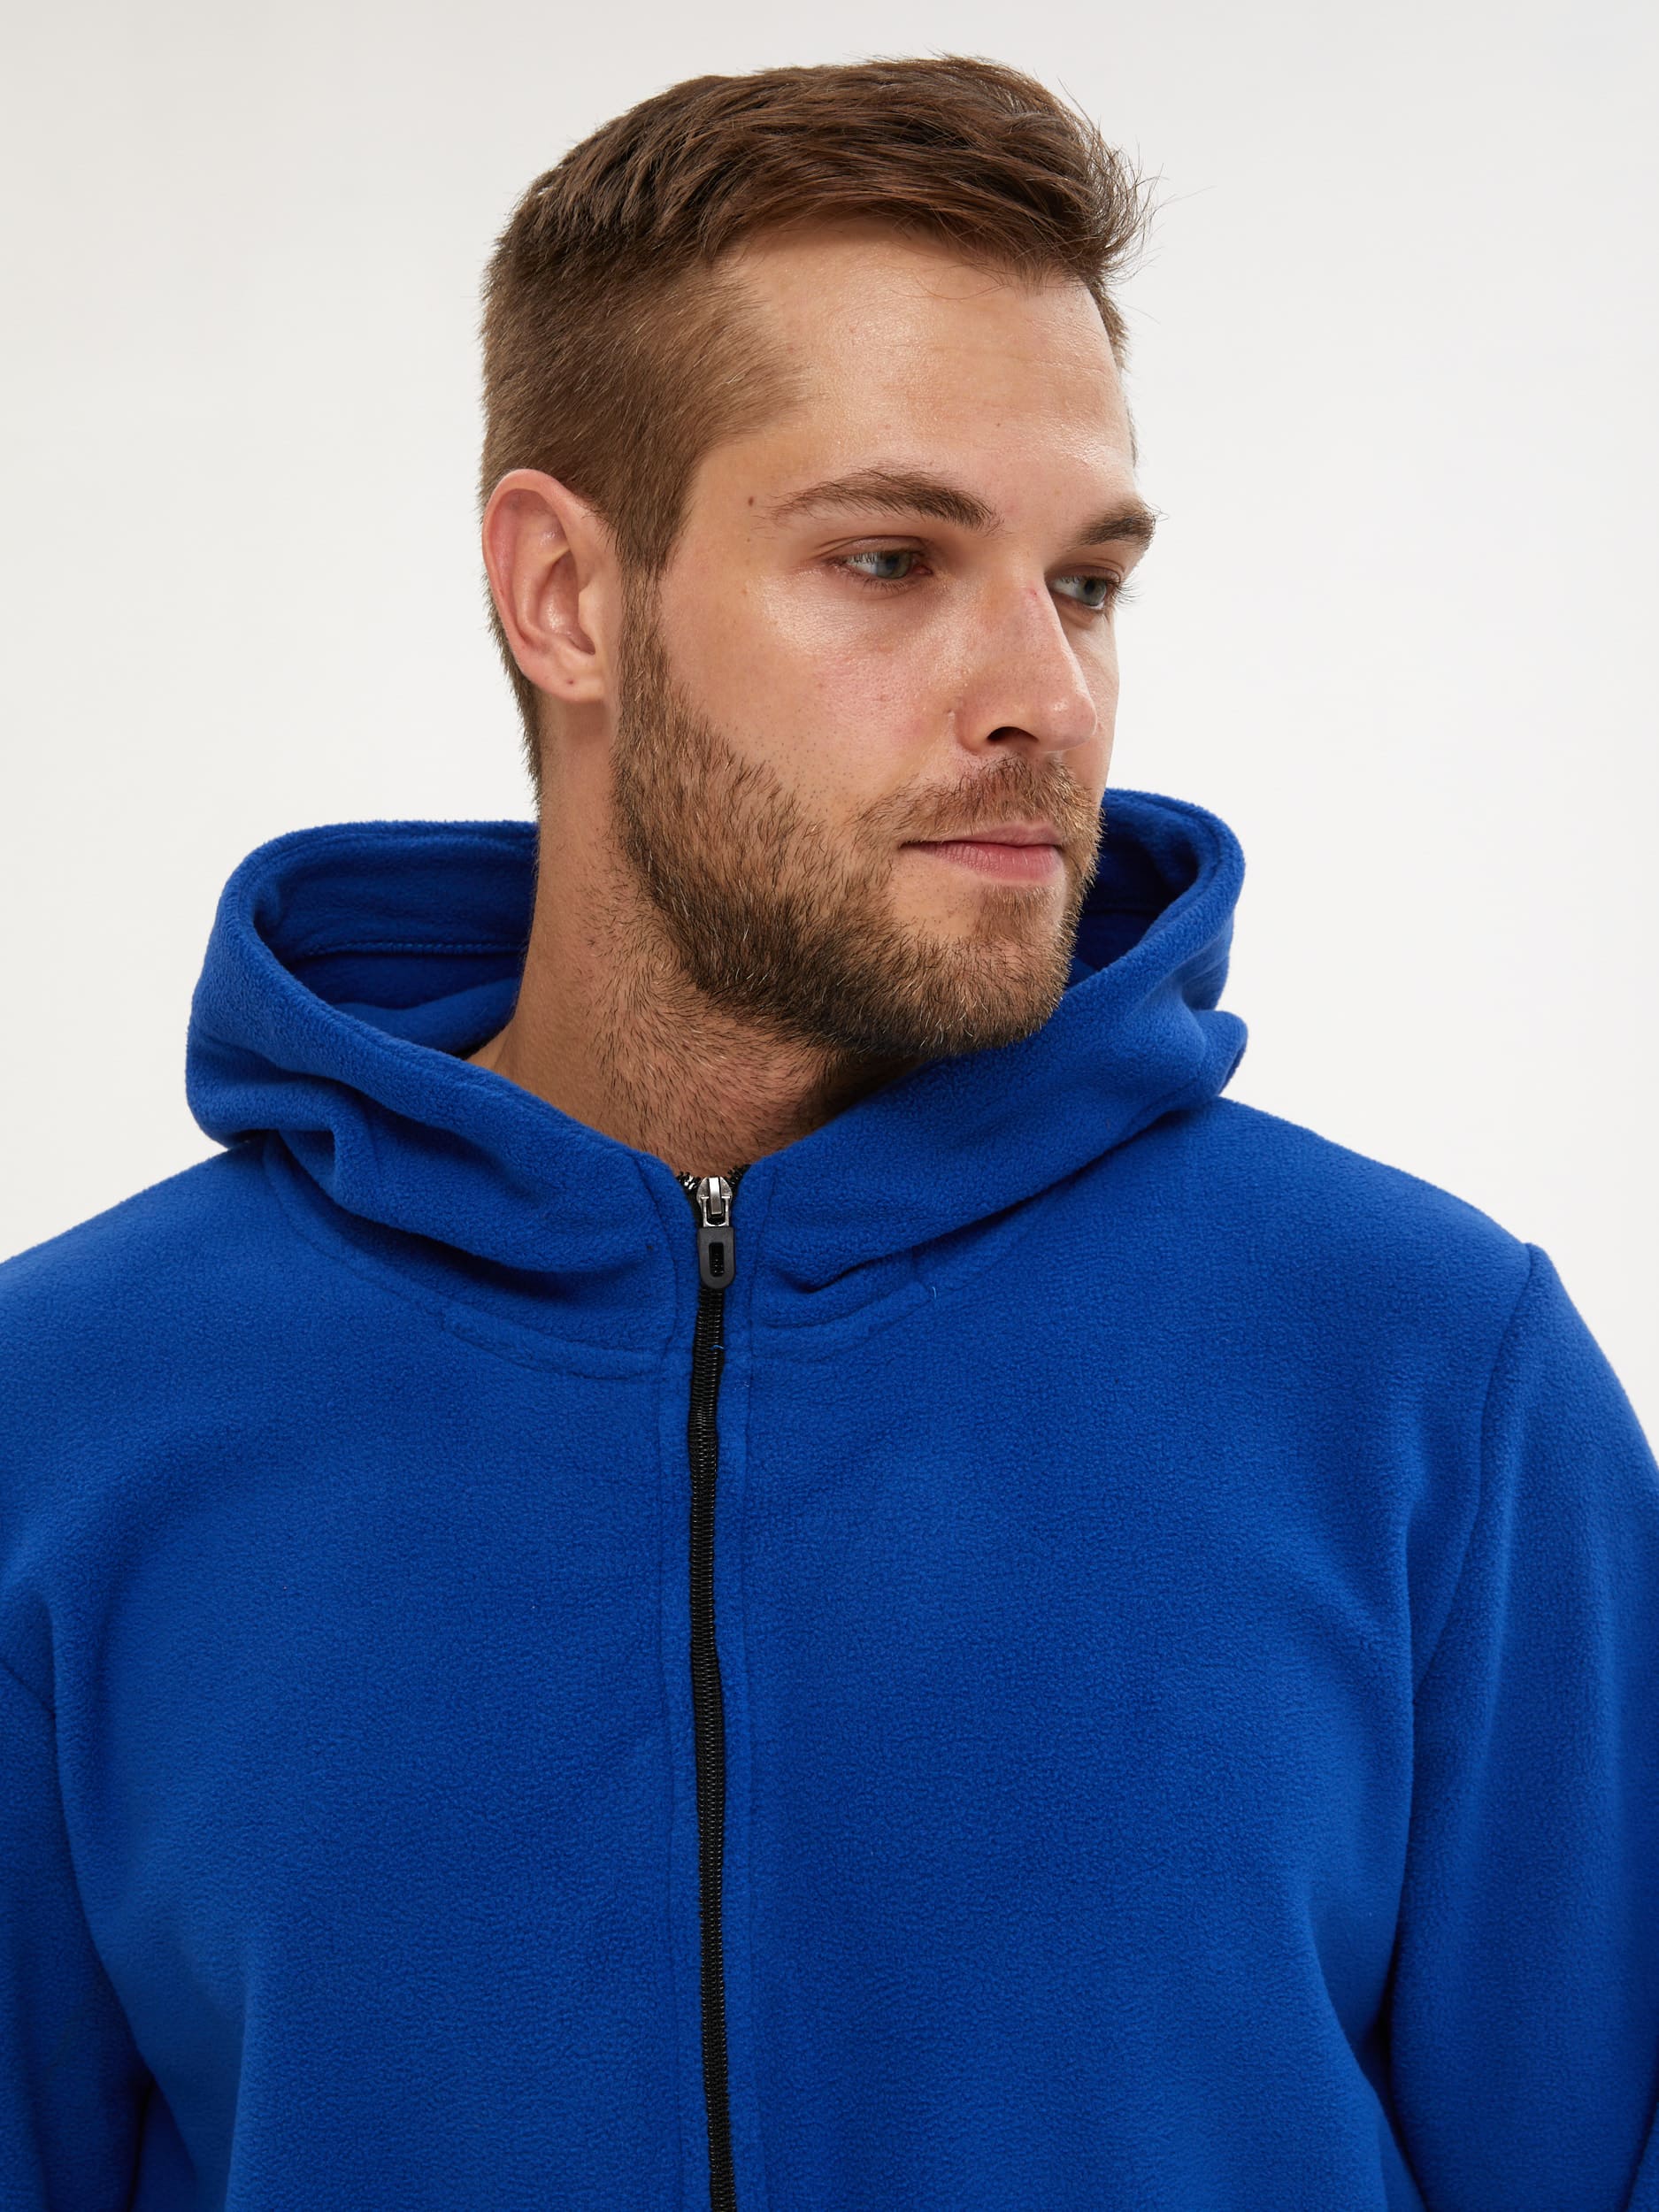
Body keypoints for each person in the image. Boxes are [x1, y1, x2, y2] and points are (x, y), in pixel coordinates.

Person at [2, 52, 1655, 2212]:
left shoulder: (1424, 1380)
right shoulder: (69, 1416)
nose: (1045, 694)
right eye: (888, 557)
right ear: (564, 595)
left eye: (1084, 581)